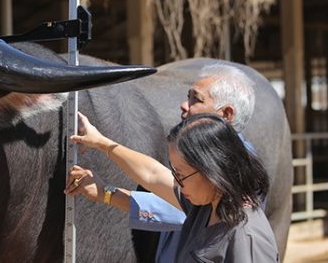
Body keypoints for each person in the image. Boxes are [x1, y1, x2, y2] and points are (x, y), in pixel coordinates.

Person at [68, 63, 259, 262]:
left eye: (197, 99)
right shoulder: (209, 165)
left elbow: (163, 192)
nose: (184, 105)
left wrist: (103, 152)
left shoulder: (239, 170)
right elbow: (162, 191)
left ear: (226, 114)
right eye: (189, 96)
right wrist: (104, 186)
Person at [65, 113, 279, 262]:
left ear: (212, 169)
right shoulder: (207, 204)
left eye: (181, 174)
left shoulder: (247, 238)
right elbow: (152, 173)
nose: (176, 181)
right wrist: (102, 143)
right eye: (174, 172)